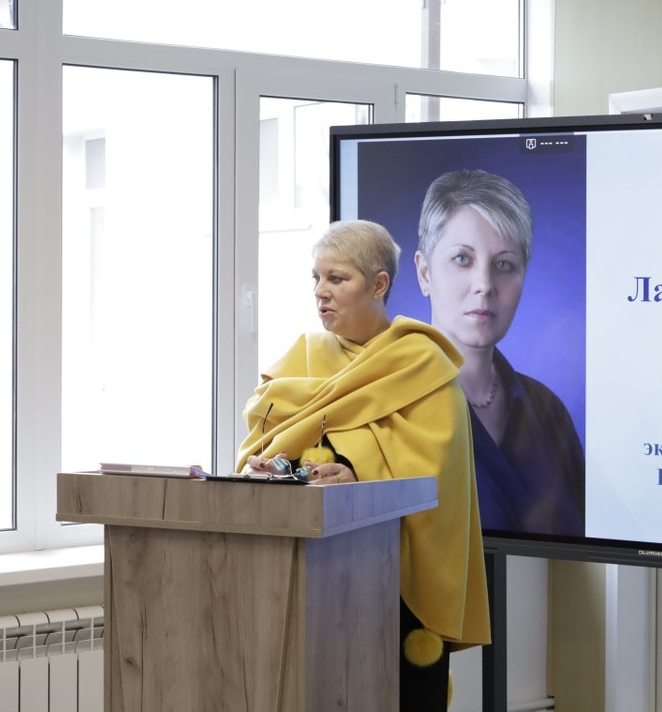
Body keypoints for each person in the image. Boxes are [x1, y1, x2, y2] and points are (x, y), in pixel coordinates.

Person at [236, 219, 489, 712]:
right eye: (316, 278)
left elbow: (435, 477)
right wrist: (275, 467)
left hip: (393, 585)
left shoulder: (422, 363)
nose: (320, 292)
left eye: (337, 278)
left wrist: (359, 475)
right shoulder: (304, 357)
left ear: (378, 285)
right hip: (306, 577)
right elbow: (264, 440)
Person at [414, 169, 585, 536]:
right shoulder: (389, 410)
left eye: (504, 264)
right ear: (425, 273)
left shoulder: (549, 411)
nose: (485, 285)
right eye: (463, 259)